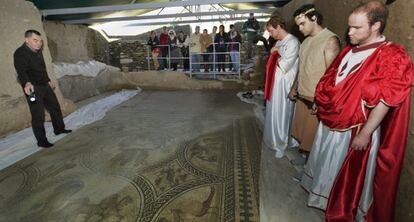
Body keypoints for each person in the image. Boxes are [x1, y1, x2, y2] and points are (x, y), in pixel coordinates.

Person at [302, 2, 413, 221]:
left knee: (346, 173)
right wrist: (322, 102)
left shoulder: (391, 55)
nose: (349, 32)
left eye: (356, 28)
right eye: (349, 27)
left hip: (356, 129)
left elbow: (385, 100)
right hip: (332, 123)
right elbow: (332, 81)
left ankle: (341, 206)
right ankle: (323, 197)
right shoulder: (349, 49)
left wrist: (366, 133)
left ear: (376, 26)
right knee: (326, 166)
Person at [288, 4, 340, 166]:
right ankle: (305, 159)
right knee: (304, 132)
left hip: (316, 97)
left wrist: (321, 99)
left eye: (302, 24)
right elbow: (301, 67)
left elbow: (332, 76)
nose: (300, 28)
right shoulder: (305, 42)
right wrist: (294, 87)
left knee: (314, 136)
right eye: (298, 25)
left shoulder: (330, 40)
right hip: (302, 94)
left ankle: (311, 169)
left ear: (314, 18)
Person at [13, 30, 72, 148]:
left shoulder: (37, 51)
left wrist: (48, 80)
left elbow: (42, 68)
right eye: (35, 40)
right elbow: (21, 71)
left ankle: (59, 129)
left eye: (40, 41)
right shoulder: (20, 53)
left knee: (54, 107)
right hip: (32, 88)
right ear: (27, 40)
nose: (39, 43)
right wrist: (27, 83)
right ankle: (41, 141)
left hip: (44, 84)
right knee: (38, 114)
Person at [262, 16, 300, 158]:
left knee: (283, 112)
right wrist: (275, 52)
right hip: (275, 83)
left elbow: (285, 64)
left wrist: (275, 53)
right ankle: (273, 139)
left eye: (271, 31)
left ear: (279, 26)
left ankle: (282, 143)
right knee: (274, 111)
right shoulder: (279, 41)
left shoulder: (293, 42)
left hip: (285, 84)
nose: (271, 34)